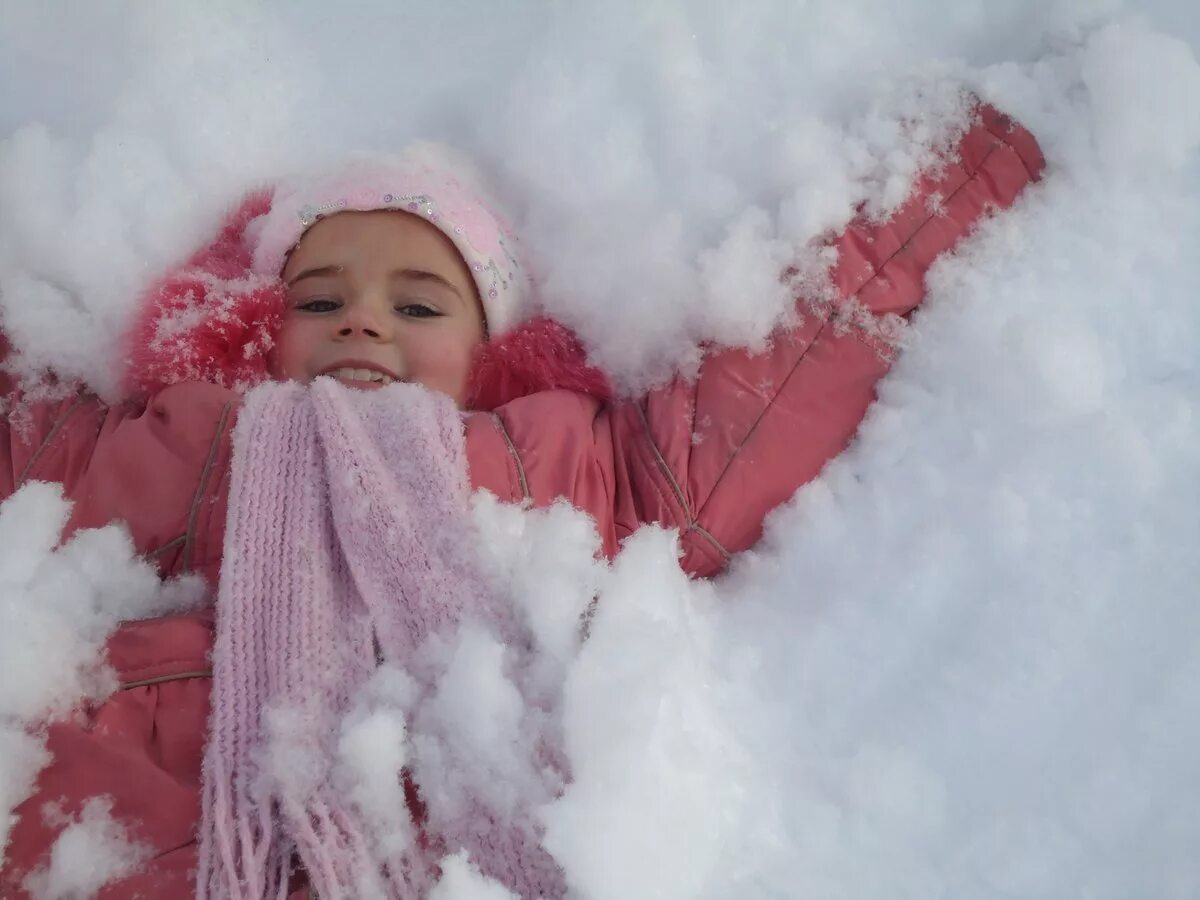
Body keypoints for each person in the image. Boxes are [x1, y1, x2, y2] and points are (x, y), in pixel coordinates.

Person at [0, 103, 1044, 898]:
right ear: (257, 329)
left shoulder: (540, 456)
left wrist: (932, 204)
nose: (364, 321)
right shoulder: (179, 436)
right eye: (319, 299)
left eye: (416, 303)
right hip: (146, 766)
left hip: (428, 772)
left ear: (488, 350)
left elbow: (756, 408)